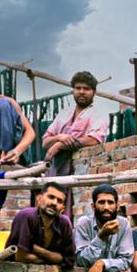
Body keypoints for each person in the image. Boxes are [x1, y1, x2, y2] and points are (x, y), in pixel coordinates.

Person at [42, 70, 109, 218]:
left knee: (67, 214)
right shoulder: (64, 113)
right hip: (53, 170)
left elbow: (94, 140)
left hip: (75, 171)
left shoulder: (98, 113)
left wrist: (60, 145)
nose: (82, 92)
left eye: (86, 89)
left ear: (94, 92)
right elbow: (45, 141)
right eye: (78, 88)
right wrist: (60, 137)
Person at [8, 181, 75, 271]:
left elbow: (69, 260)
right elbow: (21, 257)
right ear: (39, 199)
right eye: (51, 197)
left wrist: (35, 249)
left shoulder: (64, 223)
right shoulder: (26, 216)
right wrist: (53, 259)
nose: (54, 203)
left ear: (62, 209)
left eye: (59, 201)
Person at [75, 184, 134, 272]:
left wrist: (102, 263)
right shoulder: (83, 223)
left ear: (117, 206)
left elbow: (125, 261)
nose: (106, 207)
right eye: (101, 202)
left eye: (110, 203)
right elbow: (81, 260)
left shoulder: (124, 224)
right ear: (93, 206)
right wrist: (101, 237)